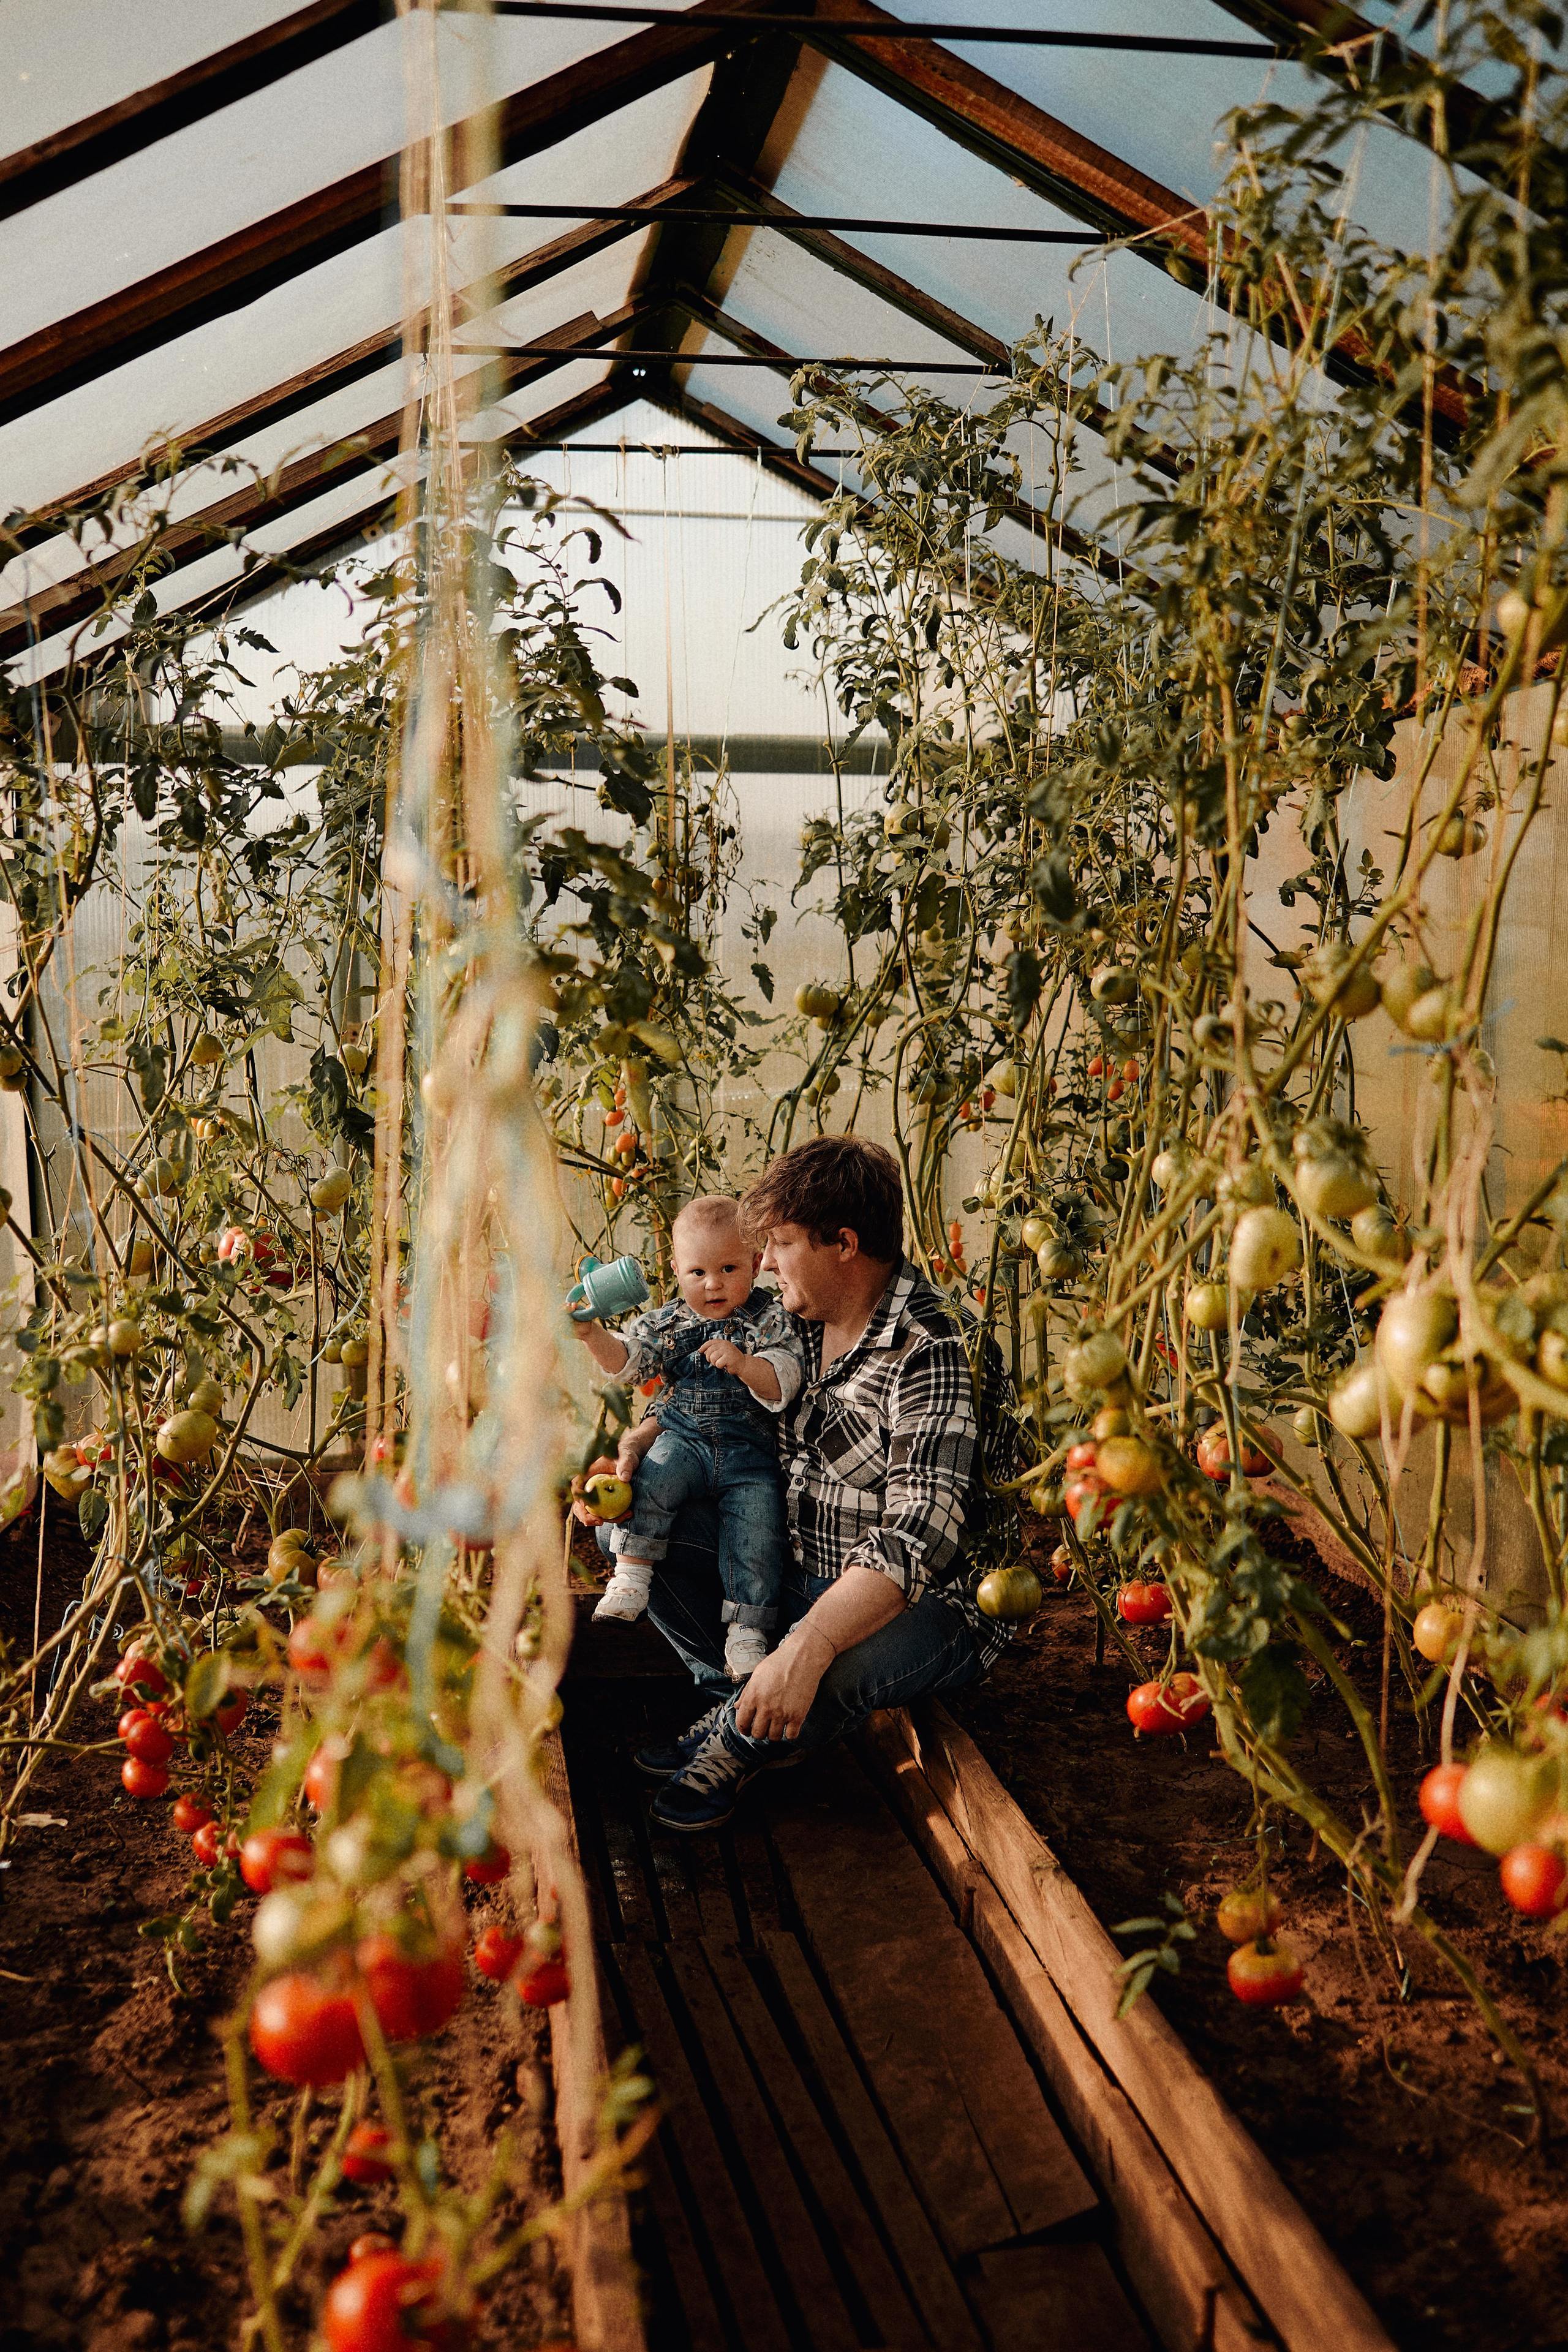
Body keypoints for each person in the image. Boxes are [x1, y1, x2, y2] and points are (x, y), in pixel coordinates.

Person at [581, 1134, 1019, 1832]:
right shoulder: (792, 1319)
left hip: (919, 1602)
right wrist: (645, 1435)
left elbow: (918, 1537)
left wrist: (809, 1644)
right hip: (794, 1563)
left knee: (833, 1669)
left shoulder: (932, 1347)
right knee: (627, 1531)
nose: (763, 1263)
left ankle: (738, 1739)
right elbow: (707, 1397)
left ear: (844, 1244)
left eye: (780, 1244)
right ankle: (736, 1698)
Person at [571, 1194, 805, 1678]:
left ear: (755, 1263)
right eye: (698, 1272)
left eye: (728, 1268)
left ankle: (747, 1631)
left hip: (749, 1456)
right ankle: (631, 1576)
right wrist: (593, 1336)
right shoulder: (668, 1323)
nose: (713, 1283)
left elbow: (784, 1379)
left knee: (756, 1534)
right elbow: (631, 1365)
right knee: (651, 1482)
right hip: (683, 1439)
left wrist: (745, 1365)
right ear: (677, 1271)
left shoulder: (770, 1319)